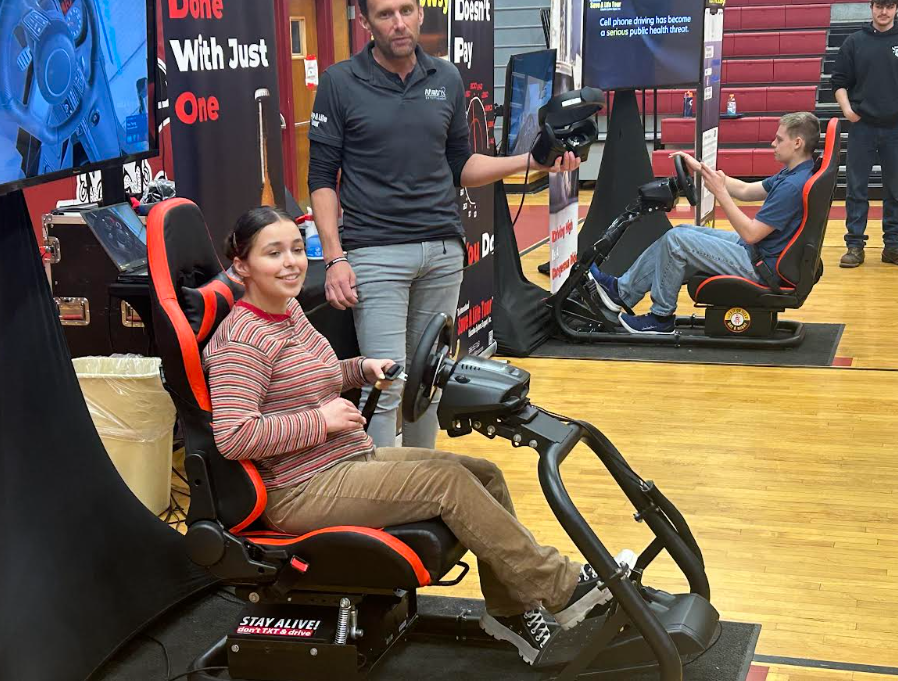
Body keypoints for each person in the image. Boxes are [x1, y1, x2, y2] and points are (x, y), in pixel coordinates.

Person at [202, 207, 633, 665]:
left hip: (343, 462)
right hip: (300, 488)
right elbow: (234, 435)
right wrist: (322, 421)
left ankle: (510, 612)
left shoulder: (287, 312)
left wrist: (359, 369)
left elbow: (311, 380)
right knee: (446, 484)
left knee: (483, 474)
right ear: (241, 265)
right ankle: (561, 587)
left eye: (294, 248)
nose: (291, 262)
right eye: (273, 253)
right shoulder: (242, 342)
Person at [306, 0, 579, 449]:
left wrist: (531, 162)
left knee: (428, 382)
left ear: (419, 14)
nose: (398, 23)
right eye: (385, 14)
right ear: (364, 22)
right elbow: (321, 178)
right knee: (387, 384)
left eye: (406, 11)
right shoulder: (339, 82)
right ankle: (382, 500)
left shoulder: (446, 77)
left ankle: (419, 492)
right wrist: (335, 257)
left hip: (443, 251)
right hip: (375, 253)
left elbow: (460, 165)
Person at [588, 112, 820, 335]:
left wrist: (720, 194)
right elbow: (745, 190)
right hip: (762, 253)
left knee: (677, 241)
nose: (773, 143)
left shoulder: (792, 186)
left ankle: (661, 318)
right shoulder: (793, 173)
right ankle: (621, 291)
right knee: (681, 231)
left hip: (761, 266)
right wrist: (701, 169)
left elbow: (751, 234)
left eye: (779, 140)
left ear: (797, 143)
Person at [831, 0, 898, 268]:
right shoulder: (854, 42)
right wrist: (847, 110)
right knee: (856, 188)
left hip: (895, 128)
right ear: (871, 7)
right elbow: (838, 81)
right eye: (879, 5)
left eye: (890, 6)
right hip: (862, 127)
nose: (884, 11)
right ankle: (854, 245)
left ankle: (893, 245)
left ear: (896, 8)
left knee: (896, 190)